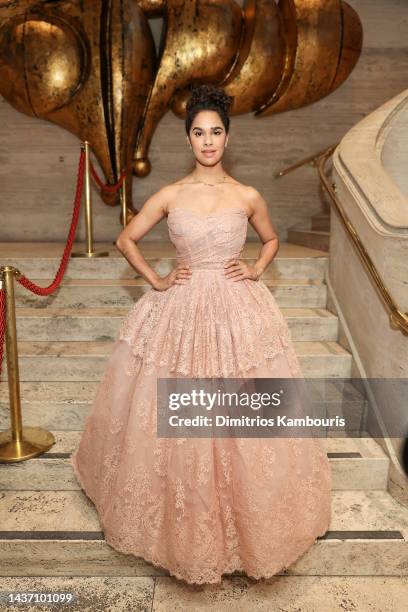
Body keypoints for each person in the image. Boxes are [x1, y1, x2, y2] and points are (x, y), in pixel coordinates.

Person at [70, 83, 331, 585]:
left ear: (227, 138)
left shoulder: (247, 195)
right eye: (198, 133)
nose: (207, 141)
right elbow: (126, 239)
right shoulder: (171, 194)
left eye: (215, 132)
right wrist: (159, 279)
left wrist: (255, 267)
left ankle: (252, 524)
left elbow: (272, 238)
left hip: (238, 312)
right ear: (188, 140)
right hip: (181, 310)